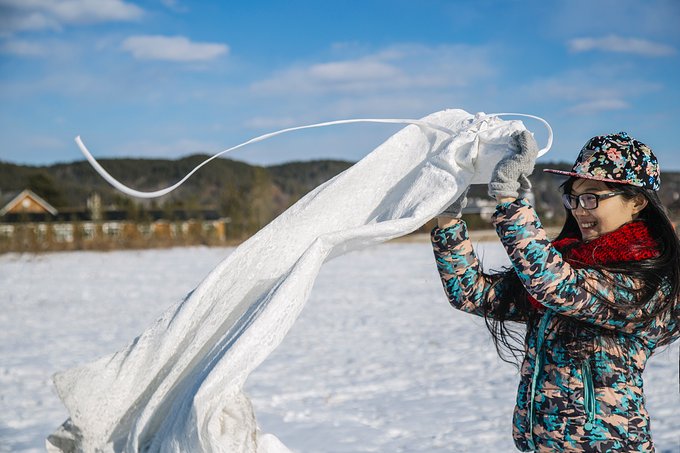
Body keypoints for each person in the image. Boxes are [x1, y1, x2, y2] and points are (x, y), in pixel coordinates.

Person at [431, 130, 680, 452]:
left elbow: (555, 285)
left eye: (592, 197)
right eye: (573, 198)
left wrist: (509, 201)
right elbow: (473, 294)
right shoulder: (571, 263)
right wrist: (448, 219)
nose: (578, 209)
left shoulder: (649, 281)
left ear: (637, 202)